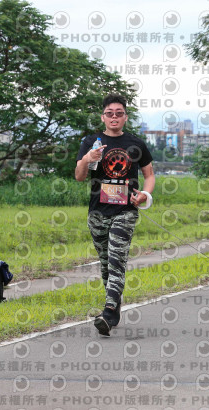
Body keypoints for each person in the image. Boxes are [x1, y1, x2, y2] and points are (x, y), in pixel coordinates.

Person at [76, 93, 155, 336]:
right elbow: (79, 176)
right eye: (109, 113)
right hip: (97, 212)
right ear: (103, 117)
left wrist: (144, 194)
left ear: (125, 117)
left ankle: (108, 312)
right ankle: (115, 305)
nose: (114, 117)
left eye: (119, 114)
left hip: (126, 210)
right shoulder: (92, 142)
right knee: (105, 263)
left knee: (117, 259)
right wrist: (88, 158)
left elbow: (150, 175)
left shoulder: (136, 143)